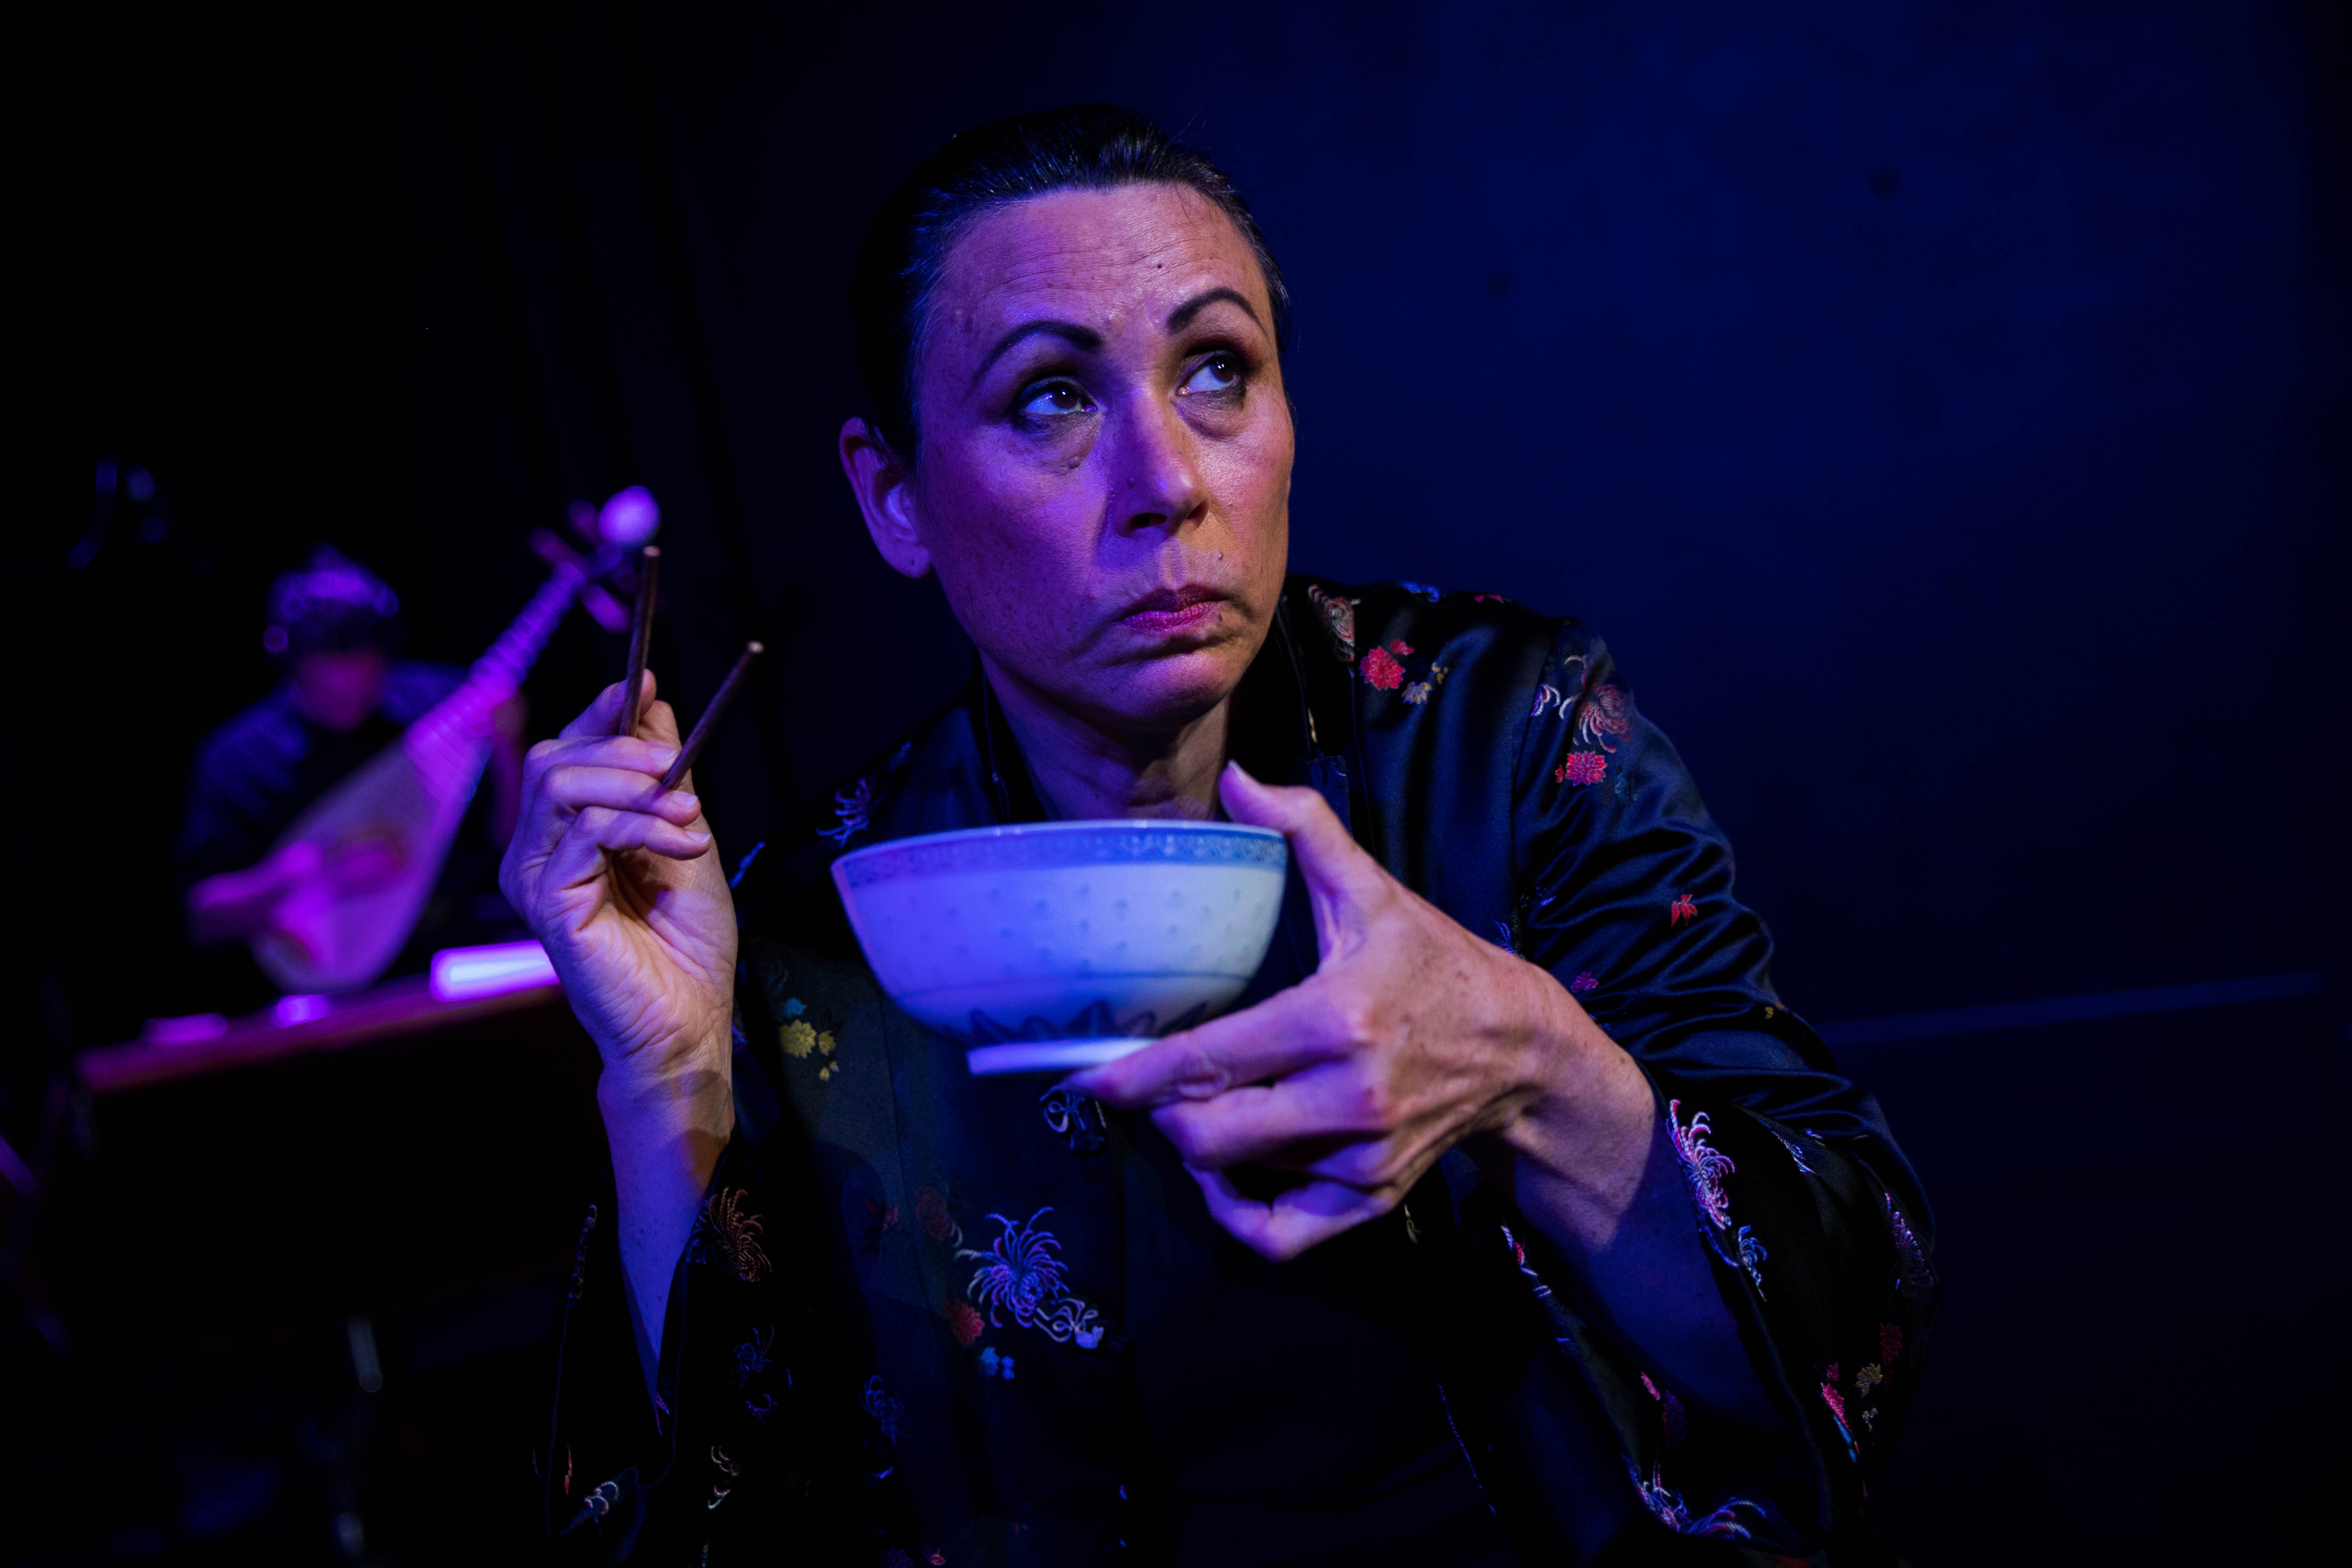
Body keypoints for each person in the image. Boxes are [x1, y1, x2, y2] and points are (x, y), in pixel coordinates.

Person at [504, 106, 1936, 1565]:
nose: (1171, 480)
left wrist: (1532, 1066)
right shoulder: (835, 916)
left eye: (1216, 371)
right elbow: (723, 1520)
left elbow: (1842, 1310)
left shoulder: (1501, 741)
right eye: (1051, 399)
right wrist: (665, 1075)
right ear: (895, 497)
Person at [177, 547, 526, 996]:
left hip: (460, 949)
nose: (348, 690)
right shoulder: (239, 762)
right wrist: (294, 875)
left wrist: (508, 749)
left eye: (363, 674)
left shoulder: (440, 705)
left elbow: (511, 844)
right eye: (328, 684)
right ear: (291, 663)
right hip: (327, 980)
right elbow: (202, 919)